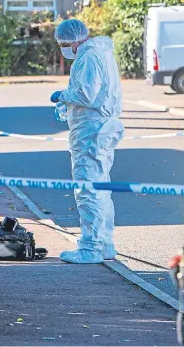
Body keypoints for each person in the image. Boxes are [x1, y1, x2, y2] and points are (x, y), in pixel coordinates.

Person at [51, 18, 124, 264]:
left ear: (72, 41)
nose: (62, 48)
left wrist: (61, 95)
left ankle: (90, 248)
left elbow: (85, 94)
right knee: (101, 187)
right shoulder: (101, 53)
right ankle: (105, 243)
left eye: (62, 44)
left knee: (87, 187)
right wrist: (67, 105)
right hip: (101, 126)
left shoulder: (88, 57)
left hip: (91, 130)